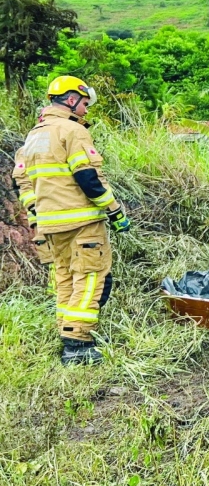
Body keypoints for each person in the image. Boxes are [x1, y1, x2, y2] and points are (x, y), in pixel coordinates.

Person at [12, 76, 131, 365]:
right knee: (91, 278)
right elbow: (87, 178)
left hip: (50, 226)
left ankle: (67, 333)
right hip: (82, 223)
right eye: (84, 103)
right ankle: (78, 344)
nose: (86, 111)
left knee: (65, 279)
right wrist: (115, 211)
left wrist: (38, 217)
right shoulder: (71, 130)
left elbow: (22, 186)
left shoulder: (32, 137)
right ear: (70, 99)